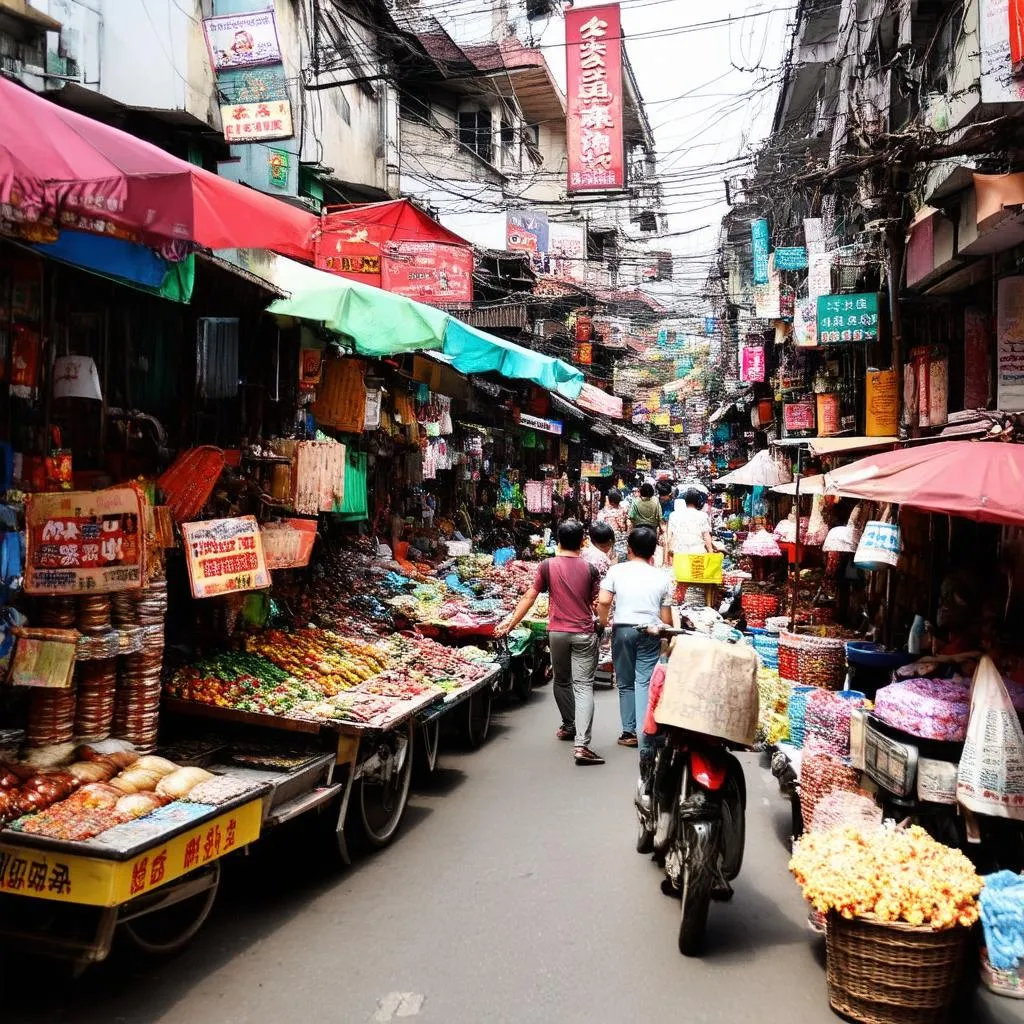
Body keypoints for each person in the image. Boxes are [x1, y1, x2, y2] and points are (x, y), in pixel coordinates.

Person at [496, 519, 605, 766]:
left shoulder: (546, 566)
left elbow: (530, 596)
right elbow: (595, 603)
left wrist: (510, 624)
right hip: (583, 632)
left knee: (562, 680)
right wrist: (602, 623)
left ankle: (568, 724)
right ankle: (582, 745)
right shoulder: (590, 569)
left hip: (556, 632)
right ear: (582, 542)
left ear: (557, 541)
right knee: (584, 686)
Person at [597, 527, 673, 753]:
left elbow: (603, 601)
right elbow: (666, 616)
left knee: (625, 682)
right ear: (653, 552)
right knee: (643, 682)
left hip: (622, 629)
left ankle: (628, 732)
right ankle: (644, 732)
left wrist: (603, 623)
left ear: (629, 549)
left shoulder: (616, 571)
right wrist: (667, 639)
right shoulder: (661, 576)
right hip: (650, 631)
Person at [597, 488, 630, 562]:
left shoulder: (604, 513)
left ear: (609, 500)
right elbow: (629, 525)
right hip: (624, 541)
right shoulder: (624, 510)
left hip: (610, 542)